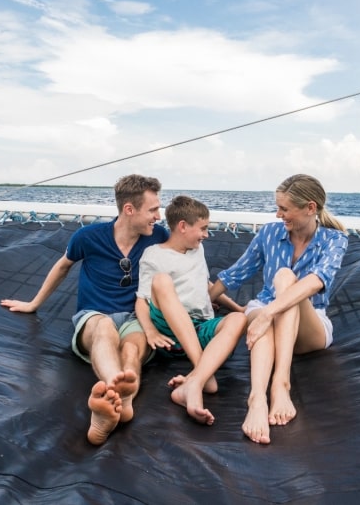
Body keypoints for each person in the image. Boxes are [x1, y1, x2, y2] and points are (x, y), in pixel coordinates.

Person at [0, 174, 168, 445]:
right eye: (152, 209)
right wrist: (34, 304)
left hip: (137, 315)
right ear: (129, 209)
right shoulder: (88, 237)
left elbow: (184, 264)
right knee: (103, 330)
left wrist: (211, 300)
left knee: (133, 346)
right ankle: (117, 392)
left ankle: (118, 405)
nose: (158, 216)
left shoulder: (158, 236)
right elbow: (63, 266)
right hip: (95, 314)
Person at [209, 173, 348, 444]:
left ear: (310, 208)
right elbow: (236, 273)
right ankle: (258, 398)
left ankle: (281, 382)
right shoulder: (270, 233)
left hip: (308, 322)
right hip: (263, 309)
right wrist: (203, 301)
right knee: (263, 310)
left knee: (286, 278)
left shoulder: (335, 240)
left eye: (284, 209)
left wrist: (270, 313)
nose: (278, 214)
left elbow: (315, 282)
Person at [134, 195, 247, 426]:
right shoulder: (154, 255)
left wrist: (238, 309)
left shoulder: (198, 249)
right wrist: (150, 331)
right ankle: (202, 371)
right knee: (162, 280)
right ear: (183, 226)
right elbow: (142, 299)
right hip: (170, 330)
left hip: (199, 327)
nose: (206, 234)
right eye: (203, 228)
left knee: (236, 320)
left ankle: (194, 381)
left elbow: (203, 285)